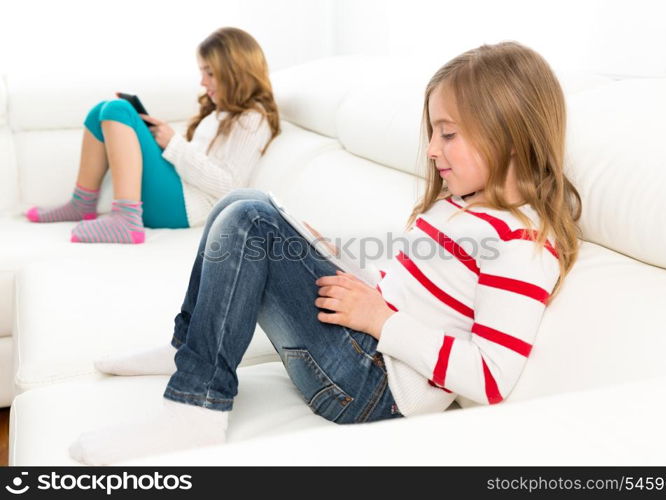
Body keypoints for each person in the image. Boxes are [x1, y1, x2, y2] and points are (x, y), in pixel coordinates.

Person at [68, 41, 582, 464]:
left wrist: (381, 321)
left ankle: (196, 410)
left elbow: (490, 377)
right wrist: (330, 256)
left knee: (250, 222)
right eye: (432, 134)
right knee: (246, 202)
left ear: (511, 138)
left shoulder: (522, 247)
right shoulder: (458, 207)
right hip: (362, 349)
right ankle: (191, 350)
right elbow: (404, 290)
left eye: (447, 135)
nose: (430, 150)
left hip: (375, 390)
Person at [25, 27, 280, 244]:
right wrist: (167, 142)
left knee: (118, 110)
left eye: (210, 73)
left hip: (187, 209)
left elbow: (231, 186)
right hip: (178, 191)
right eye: (202, 72)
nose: (203, 82)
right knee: (99, 113)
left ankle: (126, 220)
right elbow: (199, 160)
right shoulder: (219, 114)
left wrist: (175, 145)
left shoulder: (252, 119)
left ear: (237, 71)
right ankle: (82, 204)